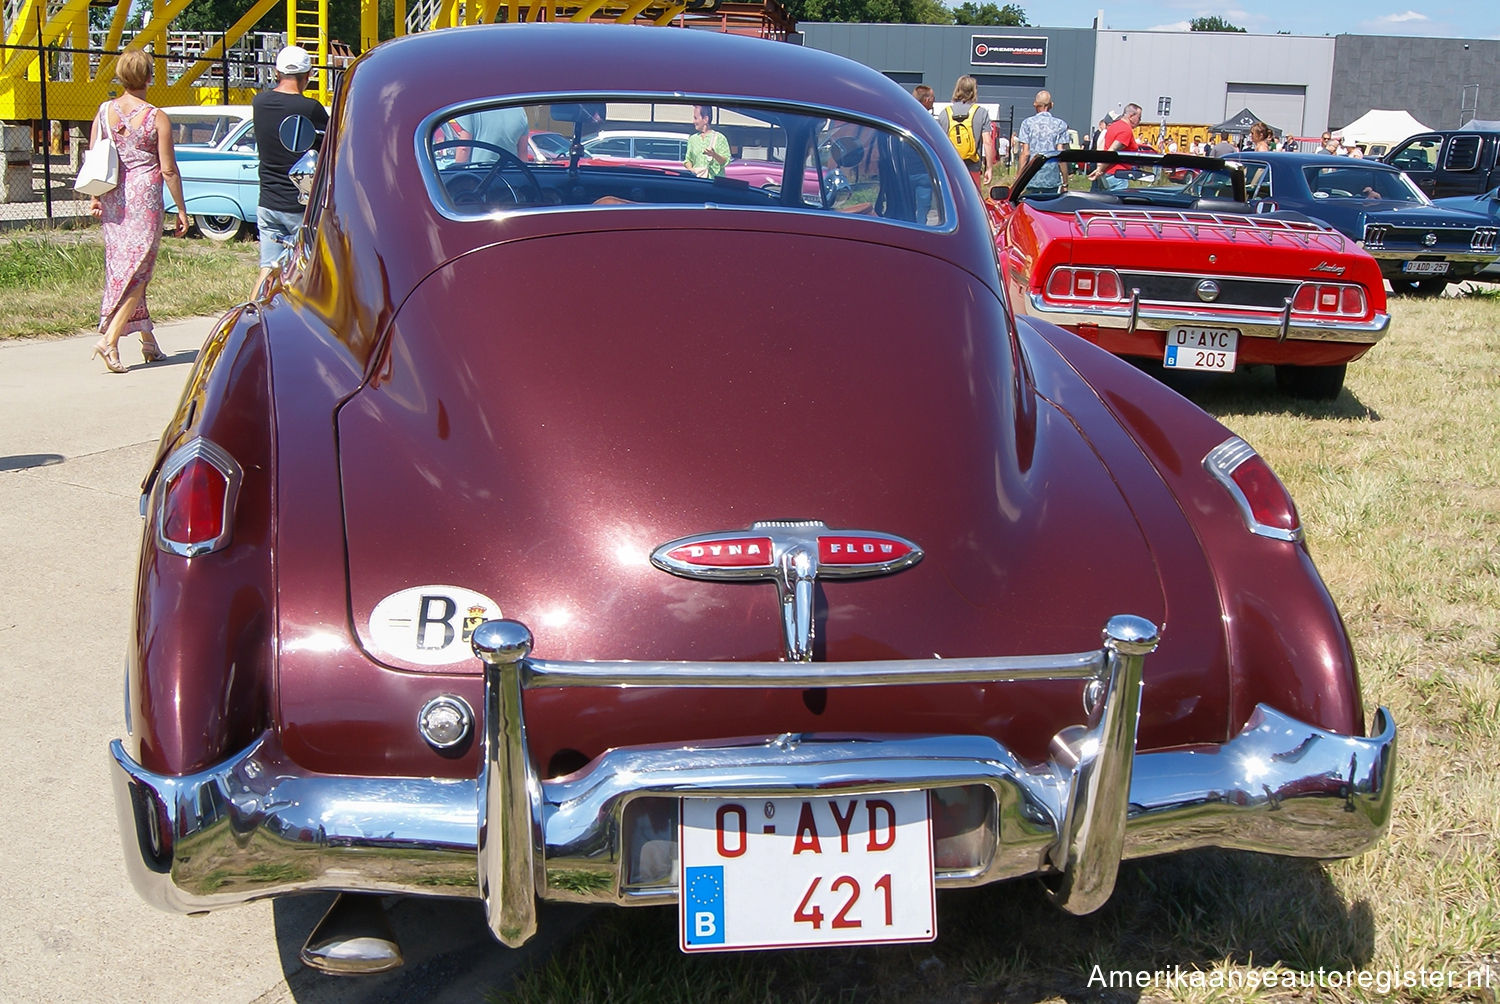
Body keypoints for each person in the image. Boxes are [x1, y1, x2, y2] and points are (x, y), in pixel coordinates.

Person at [88, 49, 189, 374]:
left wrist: (94, 196)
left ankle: (148, 342)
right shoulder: (155, 116)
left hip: (113, 198)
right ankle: (111, 339)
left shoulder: (105, 111)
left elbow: (95, 157)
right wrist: (182, 210)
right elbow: (169, 169)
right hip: (144, 198)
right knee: (139, 273)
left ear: (119, 76)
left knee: (125, 268)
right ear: (149, 77)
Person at [252, 44, 329, 297]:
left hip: (268, 201)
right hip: (300, 206)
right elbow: (332, 143)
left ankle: (251, 316)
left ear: (277, 72)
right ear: (308, 75)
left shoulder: (259, 103)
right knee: (307, 274)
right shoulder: (310, 109)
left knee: (268, 270)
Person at [938, 76, 992, 189]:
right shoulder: (981, 112)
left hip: (951, 166)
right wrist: (989, 168)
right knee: (973, 200)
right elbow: (987, 142)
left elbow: (939, 143)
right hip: (972, 165)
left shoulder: (945, 113)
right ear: (974, 91)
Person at [1015, 90, 1068, 192]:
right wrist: (1065, 182)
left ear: (1035, 105)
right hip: (1051, 178)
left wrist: (1018, 179)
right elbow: (1061, 154)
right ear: (1051, 105)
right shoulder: (1060, 124)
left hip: (1031, 176)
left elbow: (1025, 153)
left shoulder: (1027, 123)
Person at [1090, 102, 1141, 191]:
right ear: (1131, 116)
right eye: (1139, 117)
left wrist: (1100, 168)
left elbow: (1102, 147)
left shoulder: (1113, 126)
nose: (1139, 121)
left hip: (1108, 172)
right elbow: (1112, 150)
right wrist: (1099, 170)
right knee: (1117, 202)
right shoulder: (1126, 130)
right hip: (1118, 174)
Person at [684, 104, 729, 178]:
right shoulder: (693, 139)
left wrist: (714, 155)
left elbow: (725, 161)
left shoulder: (720, 138)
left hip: (715, 183)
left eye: (696, 118)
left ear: (705, 119)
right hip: (698, 182)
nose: (693, 121)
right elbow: (688, 160)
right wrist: (691, 169)